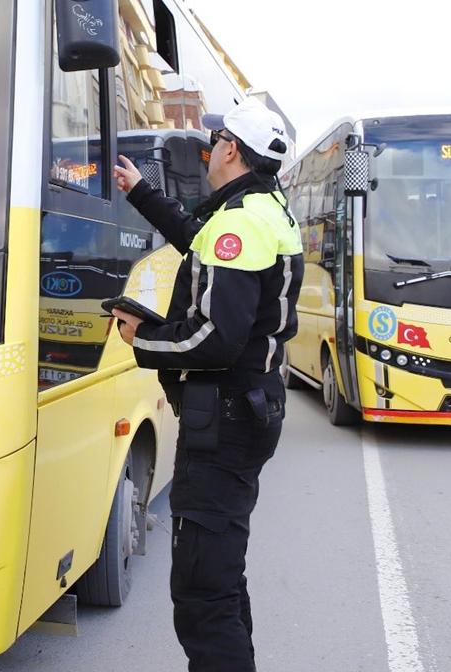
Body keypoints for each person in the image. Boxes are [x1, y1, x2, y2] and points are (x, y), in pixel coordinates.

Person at [111, 98, 303, 672]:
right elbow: (201, 242)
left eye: (215, 142)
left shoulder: (241, 224)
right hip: (246, 411)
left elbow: (214, 340)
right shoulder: (264, 209)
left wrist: (143, 338)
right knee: (220, 576)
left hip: (224, 420)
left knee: (202, 592)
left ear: (230, 151)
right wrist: (142, 192)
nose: (209, 150)